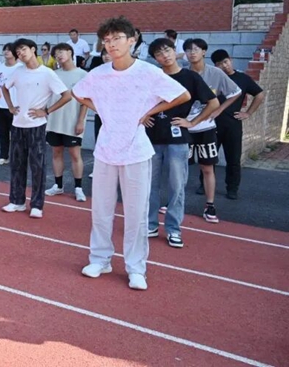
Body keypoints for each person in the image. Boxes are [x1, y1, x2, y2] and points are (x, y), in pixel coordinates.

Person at [72, 16, 190, 291]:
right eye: (107, 40)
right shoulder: (99, 73)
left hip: (136, 152)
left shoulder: (148, 72)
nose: (111, 44)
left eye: (117, 38)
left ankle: (136, 268)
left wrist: (149, 111)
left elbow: (182, 95)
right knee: (101, 211)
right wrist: (101, 108)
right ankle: (100, 259)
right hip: (105, 150)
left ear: (132, 40)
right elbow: (77, 93)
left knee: (136, 214)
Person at [145, 38, 218, 248]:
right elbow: (139, 100)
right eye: (159, 53)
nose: (165, 56)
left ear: (174, 51)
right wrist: (143, 115)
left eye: (167, 50)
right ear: (155, 58)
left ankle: (173, 229)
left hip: (178, 139)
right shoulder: (153, 77)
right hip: (151, 137)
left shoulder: (190, 77)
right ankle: (150, 224)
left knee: (176, 186)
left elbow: (213, 103)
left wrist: (192, 122)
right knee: (150, 184)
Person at [2, 38, 72, 218]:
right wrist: (11, 107)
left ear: (33, 49)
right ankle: (17, 201)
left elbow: (66, 95)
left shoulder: (47, 73)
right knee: (17, 165)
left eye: (23, 49)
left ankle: (37, 204)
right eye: (18, 52)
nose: (20, 53)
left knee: (37, 166)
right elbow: (4, 88)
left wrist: (46, 111)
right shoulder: (17, 72)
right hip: (17, 125)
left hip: (37, 126)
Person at [183, 38, 241, 222]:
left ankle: (210, 205)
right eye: (188, 50)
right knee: (179, 167)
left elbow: (235, 92)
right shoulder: (182, 73)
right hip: (184, 127)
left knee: (207, 167)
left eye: (196, 49)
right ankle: (174, 201)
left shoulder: (215, 73)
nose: (192, 53)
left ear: (204, 52)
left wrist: (219, 110)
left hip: (206, 127)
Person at [210, 49, 265, 200]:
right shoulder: (213, 79)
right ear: (215, 66)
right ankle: (204, 185)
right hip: (212, 124)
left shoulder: (243, 79)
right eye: (220, 64)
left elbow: (259, 94)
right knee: (209, 158)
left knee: (233, 159)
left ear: (231, 60)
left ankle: (232, 188)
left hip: (233, 125)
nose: (224, 66)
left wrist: (248, 113)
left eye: (226, 62)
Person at [43, 43, 89, 202]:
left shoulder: (83, 75)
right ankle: (58, 185)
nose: (59, 55)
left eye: (62, 52)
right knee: (56, 152)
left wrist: (81, 121)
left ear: (70, 52)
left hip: (73, 121)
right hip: (54, 121)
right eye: (56, 54)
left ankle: (78, 188)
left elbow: (86, 101)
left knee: (75, 154)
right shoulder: (53, 74)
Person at [0, 43, 22, 165]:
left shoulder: (21, 68)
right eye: (5, 50)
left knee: (16, 134)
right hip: (1, 105)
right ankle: (3, 156)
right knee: (2, 133)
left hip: (16, 106)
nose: (6, 52)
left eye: (9, 50)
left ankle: (17, 156)